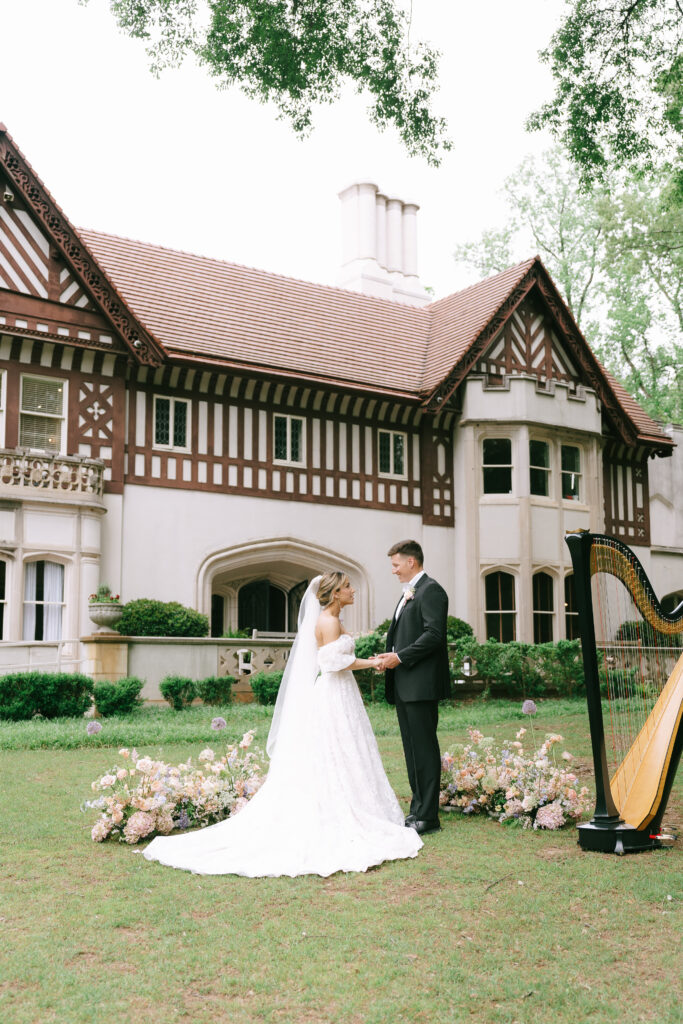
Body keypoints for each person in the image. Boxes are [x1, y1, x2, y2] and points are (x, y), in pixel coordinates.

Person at [143, 572, 422, 876]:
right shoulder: (327, 621)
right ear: (335, 594)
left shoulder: (335, 619)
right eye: (347, 587)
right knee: (335, 751)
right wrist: (373, 663)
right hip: (333, 693)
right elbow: (330, 663)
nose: (353, 591)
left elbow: (339, 658)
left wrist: (367, 661)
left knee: (350, 749)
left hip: (344, 693)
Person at [375, 540, 450, 836]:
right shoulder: (410, 593)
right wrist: (388, 656)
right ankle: (417, 808)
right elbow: (403, 635)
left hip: (421, 686)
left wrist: (400, 657)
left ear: (411, 562)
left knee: (425, 750)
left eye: (396, 565)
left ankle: (428, 816)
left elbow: (434, 635)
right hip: (405, 684)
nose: (393, 571)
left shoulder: (431, 590)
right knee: (412, 751)